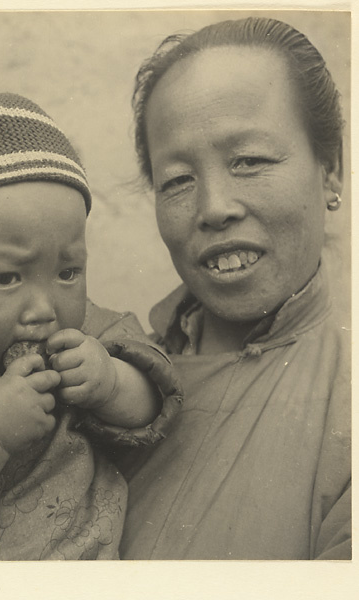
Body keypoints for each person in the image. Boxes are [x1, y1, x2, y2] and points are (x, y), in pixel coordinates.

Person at [0, 80, 182, 560]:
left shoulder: (83, 333)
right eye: (6, 278)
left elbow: (159, 395)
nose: (45, 308)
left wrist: (111, 383)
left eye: (67, 272)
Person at [119, 17, 350, 560]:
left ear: (330, 171)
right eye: (177, 180)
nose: (214, 208)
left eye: (249, 161)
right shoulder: (117, 368)